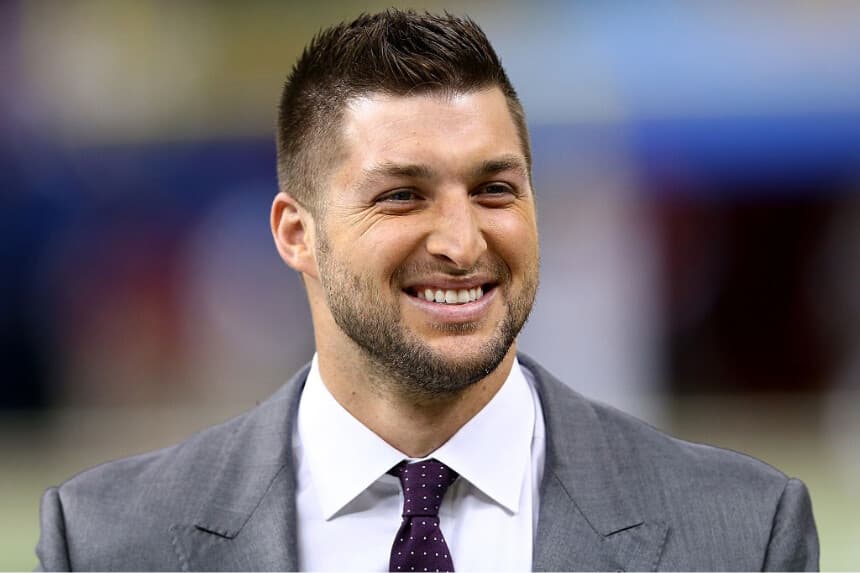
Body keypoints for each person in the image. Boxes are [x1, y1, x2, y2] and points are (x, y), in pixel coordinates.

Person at [36, 10, 818, 572]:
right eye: (403, 195)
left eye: (494, 189)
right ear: (295, 233)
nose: (461, 240)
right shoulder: (106, 542)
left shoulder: (744, 535)